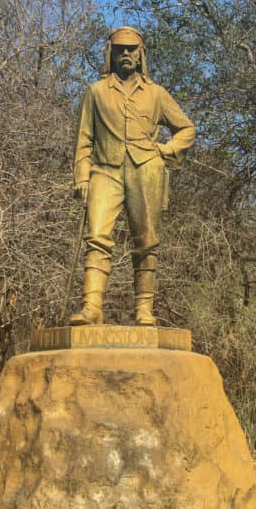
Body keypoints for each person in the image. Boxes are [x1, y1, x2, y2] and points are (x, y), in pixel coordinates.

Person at [71, 26, 195, 326]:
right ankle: (91, 306)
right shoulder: (96, 92)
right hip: (105, 170)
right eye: (119, 49)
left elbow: (186, 129)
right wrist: (82, 176)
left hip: (145, 170)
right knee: (97, 237)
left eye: (131, 49)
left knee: (146, 241)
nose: (125, 54)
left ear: (141, 54)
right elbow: (84, 139)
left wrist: (165, 151)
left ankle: (143, 310)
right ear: (110, 53)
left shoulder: (156, 93)